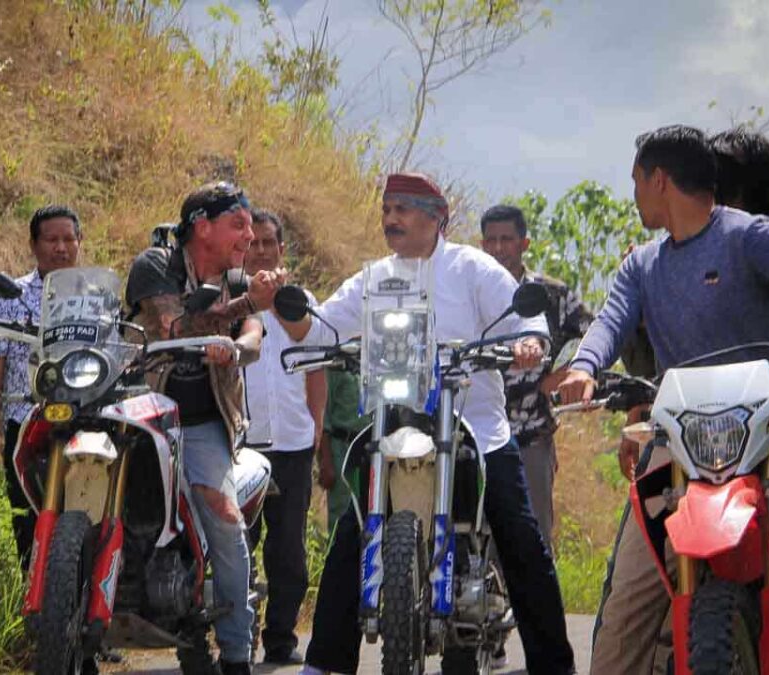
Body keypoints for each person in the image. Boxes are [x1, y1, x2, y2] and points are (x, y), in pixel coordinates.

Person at [276, 172, 575, 675]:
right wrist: (285, 307)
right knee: (352, 530)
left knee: (521, 537)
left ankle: (554, 665)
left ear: (437, 218)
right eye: (387, 208)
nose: (391, 218)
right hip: (394, 424)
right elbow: (322, 326)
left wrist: (529, 343)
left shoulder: (473, 268)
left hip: (474, 427)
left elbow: (526, 321)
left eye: (404, 209)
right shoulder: (374, 277)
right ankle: (325, 663)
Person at [556, 125, 769, 675]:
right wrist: (583, 368)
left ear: (659, 180)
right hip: (677, 446)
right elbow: (611, 322)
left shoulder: (750, 237)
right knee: (626, 610)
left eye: (637, 181)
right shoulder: (643, 265)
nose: (636, 193)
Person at [125, 181, 283, 675]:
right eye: (239, 224)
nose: (249, 235)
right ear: (202, 226)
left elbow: (254, 336)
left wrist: (237, 344)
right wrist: (241, 309)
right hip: (140, 415)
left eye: (252, 225)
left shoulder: (239, 278)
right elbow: (171, 327)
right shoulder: (156, 265)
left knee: (224, 519)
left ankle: (236, 654)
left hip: (202, 423)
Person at [241, 208, 327, 665]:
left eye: (268, 243)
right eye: (253, 243)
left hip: (293, 443)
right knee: (239, 545)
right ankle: (239, 638)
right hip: (241, 443)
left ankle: (280, 639)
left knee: (287, 548)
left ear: (280, 249)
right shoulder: (230, 298)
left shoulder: (298, 298)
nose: (261, 250)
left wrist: (317, 427)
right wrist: (253, 298)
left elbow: (314, 364)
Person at [0, 205, 82, 571]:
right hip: (27, 423)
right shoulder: (11, 296)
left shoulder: (93, 297)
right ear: (34, 245)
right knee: (28, 521)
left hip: (86, 424)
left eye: (69, 239)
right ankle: (33, 603)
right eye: (52, 239)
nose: (61, 247)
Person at [480, 204, 593, 547]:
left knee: (532, 538)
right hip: (475, 433)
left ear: (524, 244)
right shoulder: (469, 291)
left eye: (507, 240)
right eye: (491, 241)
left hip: (530, 434)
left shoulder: (550, 293)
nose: (498, 249)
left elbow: (595, 331)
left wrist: (564, 373)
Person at [320, 369, 372, 533]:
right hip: (341, 449)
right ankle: (335, 556)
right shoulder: (336, 368)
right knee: (340, 515)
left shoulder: (375, 365)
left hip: (370, 449)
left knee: (370, 508)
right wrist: (326, 462)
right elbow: (323, 418)